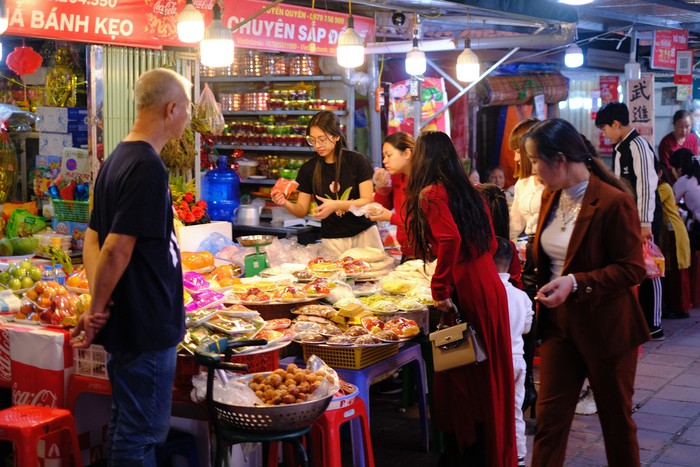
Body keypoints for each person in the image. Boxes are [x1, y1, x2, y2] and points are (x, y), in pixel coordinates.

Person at [70, 68, 190, 465]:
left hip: (130, 321)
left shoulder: (116, 159)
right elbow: (116, 248)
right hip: (145, 324)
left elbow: (93, 239)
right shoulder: (146, 167)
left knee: (126, 425)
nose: (188, 117)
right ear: (171, 108)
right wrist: (96, 307)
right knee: (141, 436)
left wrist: (98, 304)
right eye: (186, 108)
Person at [524, 118, 648, 467]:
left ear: (560, 160)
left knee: (616, 424)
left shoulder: (613, 202)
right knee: (550, 422)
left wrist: (576, 282)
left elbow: (633, 268)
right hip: (559, 329)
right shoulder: (552, 196)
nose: (533, 170)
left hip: (606, 329)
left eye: (535, 161)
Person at [404, 131, 516, 466]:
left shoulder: (431, 193)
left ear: (423, 159)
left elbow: (449, 239)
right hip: (488, 284)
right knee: (487, 374)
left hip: (468, 288)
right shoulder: (469, 190)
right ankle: (483, 451)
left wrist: (441, 289)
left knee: (461, 373)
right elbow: (492, 242)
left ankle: (466, 452)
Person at [595, 101, 664, 341]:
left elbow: (647, 184)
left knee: (651, 268)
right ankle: (639, 320)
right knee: (636, 266)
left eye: (605, 128)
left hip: (645, 218)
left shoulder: (637, 146)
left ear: (616, 124)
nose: (604, 134)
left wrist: (645, 222)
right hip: (629, 218)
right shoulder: (620, 148)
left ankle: (654, 324)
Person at [272, 110, 383, 257]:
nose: (317, 145)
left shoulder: (357, 161)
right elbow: (301, 210)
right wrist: (284, 202)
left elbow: (367, 200)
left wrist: (336, 205)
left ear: (336, 136)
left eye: (322, 139)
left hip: (365, 234)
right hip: (333, 239)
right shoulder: (308, 169)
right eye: (312, 140)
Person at [507, 117, 541, 417]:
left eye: (519, 151)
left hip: (553, 264)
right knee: (525, 329)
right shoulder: (522, 183)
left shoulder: (555, 181)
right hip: (528, 264)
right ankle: (527, 387)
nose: (516, 157)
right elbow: (514, 226)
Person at [494, 237, 533, 467]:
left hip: (498, 361)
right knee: (516, 410)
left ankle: (497, 451)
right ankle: (518, 455)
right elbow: (527, 327)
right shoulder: (522, 296)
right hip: (518, 358)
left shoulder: (488, 293)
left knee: (497, 409)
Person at [656, 158, 691, 319]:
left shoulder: (662, 188)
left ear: (660, 173)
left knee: (678, 271)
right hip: (670, 232)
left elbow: (651, 203)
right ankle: (675, 306)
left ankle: (681, 307)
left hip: (674, 233)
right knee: (672, 271)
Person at [370, 131, 414, 258]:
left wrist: (391, 217)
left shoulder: (425, 181)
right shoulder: (396, 176)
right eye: (384, 156)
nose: (384, 161)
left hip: (429, 254)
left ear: (406, 153)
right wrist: (381, 187)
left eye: (389, 155)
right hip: (407, 252)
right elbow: (382, 207)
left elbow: (422, 224)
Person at [669, 147, 700, 307]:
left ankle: (685, 300)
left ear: (678, 168)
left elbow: (670, 201)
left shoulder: (683, 180)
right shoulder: (696, 176)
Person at [658, 109, 699, 182]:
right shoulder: (666, 142)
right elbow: (666, 167)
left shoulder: (693, 139)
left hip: (691, 181)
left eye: (687, 126)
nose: (684, 130)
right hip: (672, 181)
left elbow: (695, 161)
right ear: (674, 124)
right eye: (680, 127)